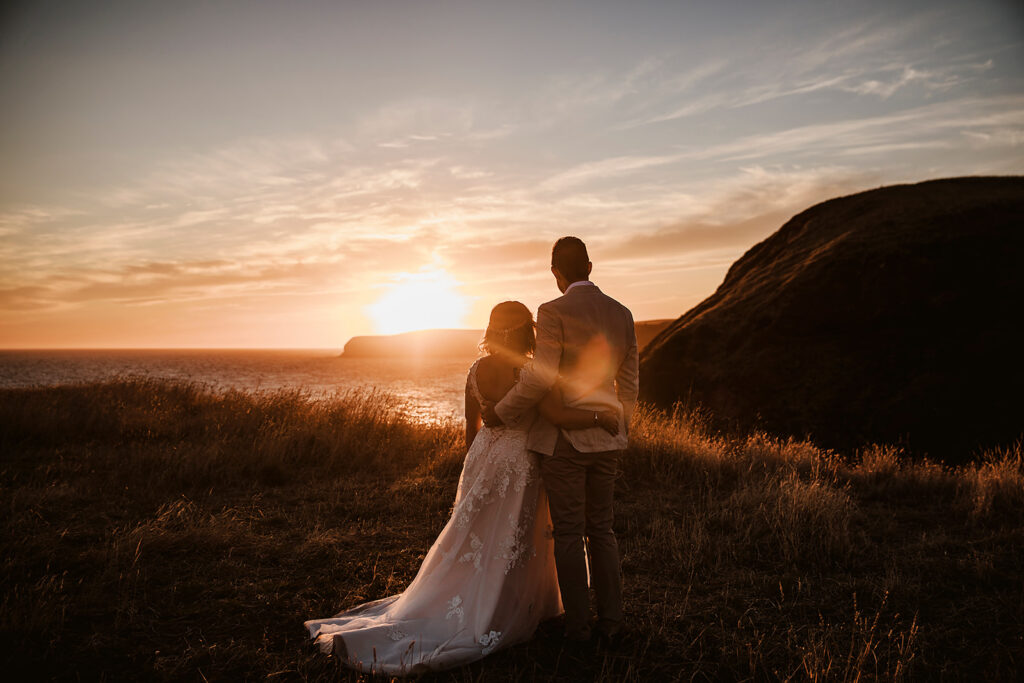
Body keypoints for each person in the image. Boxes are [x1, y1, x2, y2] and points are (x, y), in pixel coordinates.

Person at [304, 301, 620, 675]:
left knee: (478, 533)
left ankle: (472, 592)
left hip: (484, 455)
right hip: (520, 461)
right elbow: (554, 416)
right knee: (514, 537)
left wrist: (476, 466)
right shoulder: (530, 372)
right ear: (525, 331)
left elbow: (471, 428)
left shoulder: (475, 370)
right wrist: (600, 415)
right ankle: (503, 605)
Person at [481, 237, 639, 646]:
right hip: (607, 439)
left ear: (557, 273)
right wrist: (620, 426)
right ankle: (613, 622)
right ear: (590, 265)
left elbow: (541, 376)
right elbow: (631, 383)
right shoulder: (622, 313)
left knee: (569, 534)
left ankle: (578, 630)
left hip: (565, 442)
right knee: (602, 531)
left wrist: (503, 411)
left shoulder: (553, 311)